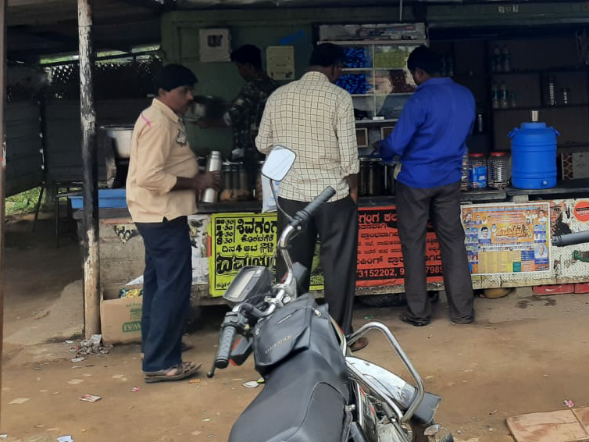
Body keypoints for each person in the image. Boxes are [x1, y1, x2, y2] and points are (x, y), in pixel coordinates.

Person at [255, 43, 366, 349]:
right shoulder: (339, 97)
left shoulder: (278, 96)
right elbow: (349, 155)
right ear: (336, 68)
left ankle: (292, 335)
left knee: (292, 268)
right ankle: (340, 336)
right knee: (338, 266)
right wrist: (353, 189)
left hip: (291, 196)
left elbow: (262, 143)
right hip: (332, 196)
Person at [126, 64, 218, 383]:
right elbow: (149, 177)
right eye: (183, 91)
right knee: (172, 289)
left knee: (157, 286)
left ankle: (155, 351)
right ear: (164, 93)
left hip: (158, 214)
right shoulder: (158, 124)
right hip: (160, 215)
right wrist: (197, 182)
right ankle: (162, 362)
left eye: (190, 91)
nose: (189, 97)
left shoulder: (163, 118)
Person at [379, 46, 476, 327]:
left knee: (413, 244)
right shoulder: (465, 95)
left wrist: (382, 151)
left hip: (415, 182)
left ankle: (418, 313)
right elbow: (465, 133)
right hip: (449, 180)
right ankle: (462, 313)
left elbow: (396, 144)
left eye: (413, 74)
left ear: (419, 72)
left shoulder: (420, 100)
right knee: (454, 242)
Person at [197, 44, 277, 184]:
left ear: (249, 66)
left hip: (249, 151)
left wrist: (207, 123)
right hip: (270, 150)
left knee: (247, 186)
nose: (240, 71)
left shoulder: (250, 87)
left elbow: (231, 117)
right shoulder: (273, 85)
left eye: (240, 67)